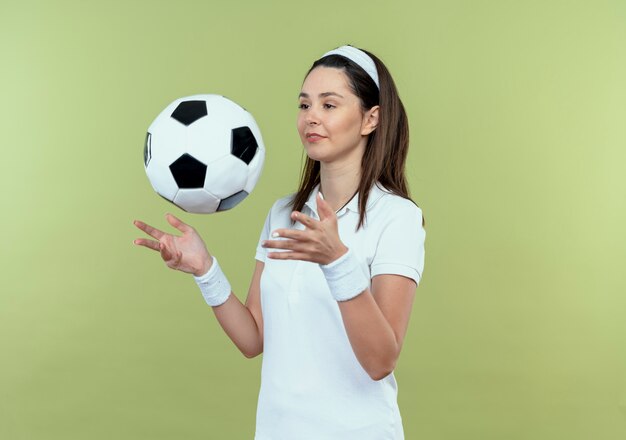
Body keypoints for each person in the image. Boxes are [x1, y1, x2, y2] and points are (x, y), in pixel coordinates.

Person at [133, 45, 426, 440]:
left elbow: (380, 361)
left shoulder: (397, 217)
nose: (312, 119)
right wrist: (206, 270)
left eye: (329, 105)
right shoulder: (284, 212)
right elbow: (254, 339)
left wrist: (337, 261)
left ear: (370, 119)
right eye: (304, 105)